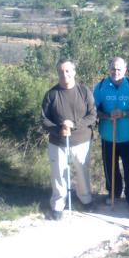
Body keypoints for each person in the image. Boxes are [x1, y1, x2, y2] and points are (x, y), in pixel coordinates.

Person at [41, 58, 97, 220]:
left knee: (82, 171)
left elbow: (92, 115)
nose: (64, 74)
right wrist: (59, 129)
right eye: (61, 71)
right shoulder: (51, 94)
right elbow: (44, 120)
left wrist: (73, 125)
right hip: (58, 141)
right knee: (58, 173)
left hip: (82, 141)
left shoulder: (84, 91)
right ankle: (58, 205)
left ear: (74, 72)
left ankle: (85, 199)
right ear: (57, 72)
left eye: (67, 71)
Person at [93, 57, 129, 213]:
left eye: (119, 69)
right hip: (108, 136)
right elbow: (94, 111)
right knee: (110, 168)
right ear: (109, 69)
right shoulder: (100, 87)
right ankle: (113, 193)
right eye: (113, 68)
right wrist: (107, 116)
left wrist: (123, 113)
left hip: (128, 136)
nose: (116, 72)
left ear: (125, 70)